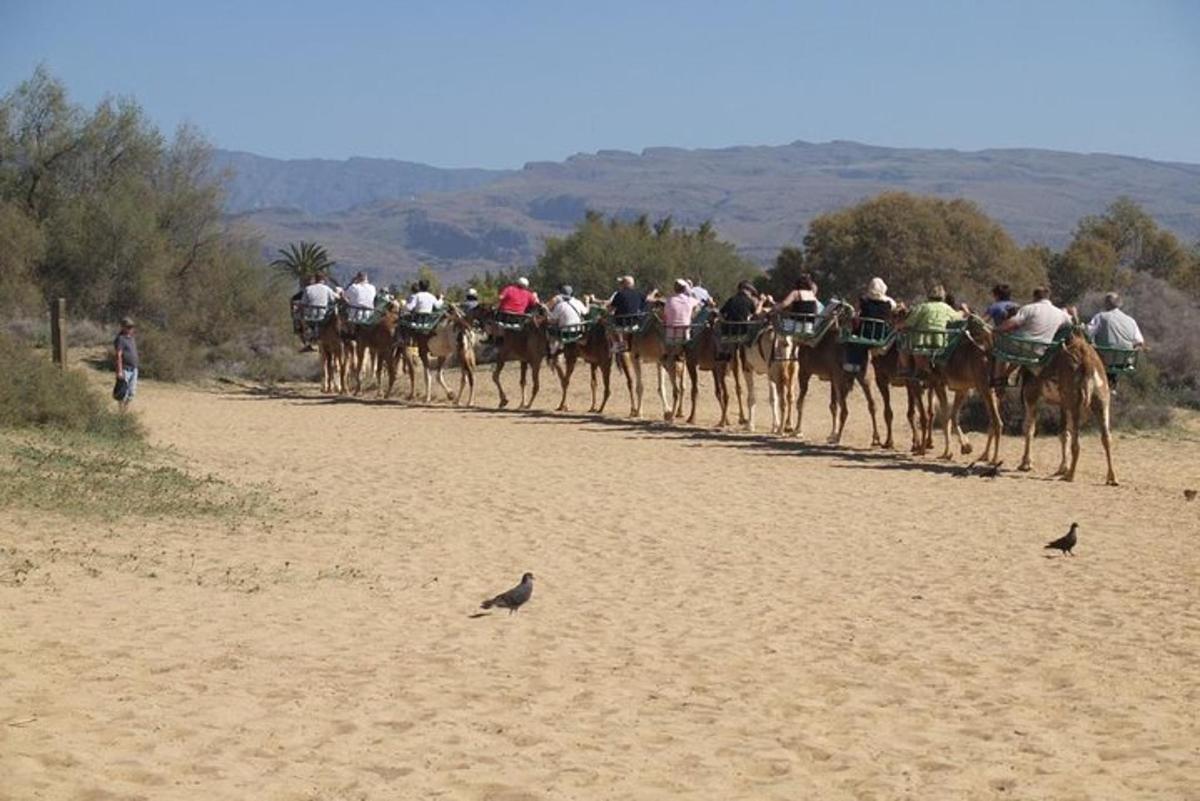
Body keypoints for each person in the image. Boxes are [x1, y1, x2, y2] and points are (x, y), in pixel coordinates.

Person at [844, 277, 897, 372]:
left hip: (865, 334)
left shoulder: (863, 301)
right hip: (882, 335)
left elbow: (856, 314)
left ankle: (853, 365)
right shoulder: (889, 303)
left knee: (853, 343)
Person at [998, 286, 1072, 344]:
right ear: (1048, 297)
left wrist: (997, 329)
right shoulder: (1060, 314)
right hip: (1041, 352)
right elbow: (1071, 322)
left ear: (1035, 297)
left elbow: (1012, 323)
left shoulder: (1029, 308)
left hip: (1021, 347)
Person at [663, 278, 701, 344]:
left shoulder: (669, 300)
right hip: (684, 334)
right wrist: (690, 291)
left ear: (674, 288)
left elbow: (665, 316)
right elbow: (699, 304)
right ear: (684, 289)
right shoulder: (690, 300)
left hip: (670, 336)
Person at [113, 317, 139, 411]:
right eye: (128, 327)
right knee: (123, 392)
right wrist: (119, 371)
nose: (130, 329)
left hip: (134, 369)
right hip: (125, 369)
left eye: (131, 327)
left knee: (131, 393)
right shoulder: (120, 339)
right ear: (123, 327)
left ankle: (125, 410)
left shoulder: (131, 338)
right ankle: (121, 413)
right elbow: (118, 355)